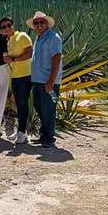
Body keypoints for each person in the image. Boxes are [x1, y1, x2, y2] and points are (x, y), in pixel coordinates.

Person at [28, 12, 62, 148]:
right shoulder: (39, 38)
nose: (39, 25)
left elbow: (57, 58)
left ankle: (50, 137)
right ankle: (44, 135)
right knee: (39, 107)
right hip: (37, 80)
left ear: (46, 24)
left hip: (49, 81)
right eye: (36, 23)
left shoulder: (54, 37)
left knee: (49, 108)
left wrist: (51, 81)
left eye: (41, 22)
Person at [1, 17, 33, 144]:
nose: (7, 28)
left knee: (22, 103)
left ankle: (22, 132)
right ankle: (22, 131)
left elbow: (29, 53)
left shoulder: (23, 36)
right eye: (4, 27)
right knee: (19, 105)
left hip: (25, 75)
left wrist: (13, 59)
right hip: (14, 77)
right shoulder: (7, 41)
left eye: (8, 25)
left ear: (13, 25)